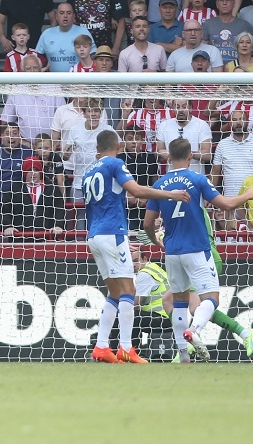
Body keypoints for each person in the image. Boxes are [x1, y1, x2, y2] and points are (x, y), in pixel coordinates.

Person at [144, 138, 253, 363]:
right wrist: (247, 195)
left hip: (172, 252)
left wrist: (156, 242)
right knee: (210, 300)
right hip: (197, 249)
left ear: (168, 157)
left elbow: (148, 223)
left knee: (177, 302)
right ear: (190, 157)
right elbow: (225, 205)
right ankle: (195, 331)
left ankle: (184, 354)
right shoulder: (197, 179)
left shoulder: (159, 184)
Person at [87, 130, 191, 364]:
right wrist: (169, 195)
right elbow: (135, 190)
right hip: (113, 232)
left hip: (93, 235)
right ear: (119, 146)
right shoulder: (115, 163)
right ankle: (126, 348)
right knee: (128, 291)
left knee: (115, 292)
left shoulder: (88, 171)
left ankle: (102, 346)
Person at [210, 109, 253, 229]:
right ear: (230, 123)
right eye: (234, 120)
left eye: (241, 119)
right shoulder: (222, 144)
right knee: (231, 241)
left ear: (247, 121)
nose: (238, 123)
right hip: (230, 203)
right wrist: (209, 195)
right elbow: (216, 172)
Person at [0, 55, 66, 140]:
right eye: (28, 68)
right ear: (23, 71)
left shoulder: (54, 87)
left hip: (51, 146)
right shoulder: (16, 91)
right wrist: (21, 142)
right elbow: (6, 122)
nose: (32, 71)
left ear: (41, 69)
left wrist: (56, 142)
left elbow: (64, 115)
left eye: (35, 68)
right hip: (24, 147)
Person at [0, 155, 64, 239]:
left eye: (36, 170)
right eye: (29, 170)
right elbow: (4, 210)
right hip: (20, 237)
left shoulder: (52, 189)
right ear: (24, 172)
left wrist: (58, 225)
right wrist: (7, 226)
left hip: (46, 237)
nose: (33, 173)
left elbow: (59, 209)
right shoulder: (14, 189)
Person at [34, 3, 95, 73]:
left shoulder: (83, 32)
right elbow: (37, 58)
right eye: (62, 13)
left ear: (73, 16)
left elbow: (93, 56)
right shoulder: (46, 34)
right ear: (56, 16)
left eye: (68, 13)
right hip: (53, 80)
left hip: (78, 80)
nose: (65, 16)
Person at [155, 98, 212, 173]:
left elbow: (208, 155)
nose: (181, 110)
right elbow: (157, 154)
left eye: (184, 107)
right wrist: (162, 153)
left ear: (190, 108)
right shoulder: (164, 125)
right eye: (177, 107)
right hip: (172, 179)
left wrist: (185, 154)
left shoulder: (202, 125)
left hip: (195, 178)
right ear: (172, 109)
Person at [200, 0, 253, 65]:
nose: (224, 3)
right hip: (214, 68)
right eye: (221, 1)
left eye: (228, 0)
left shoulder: (244, 25)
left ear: (233, 4)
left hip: (237, 69)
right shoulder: (208, 24)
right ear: (217, 4)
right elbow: (203, 48)